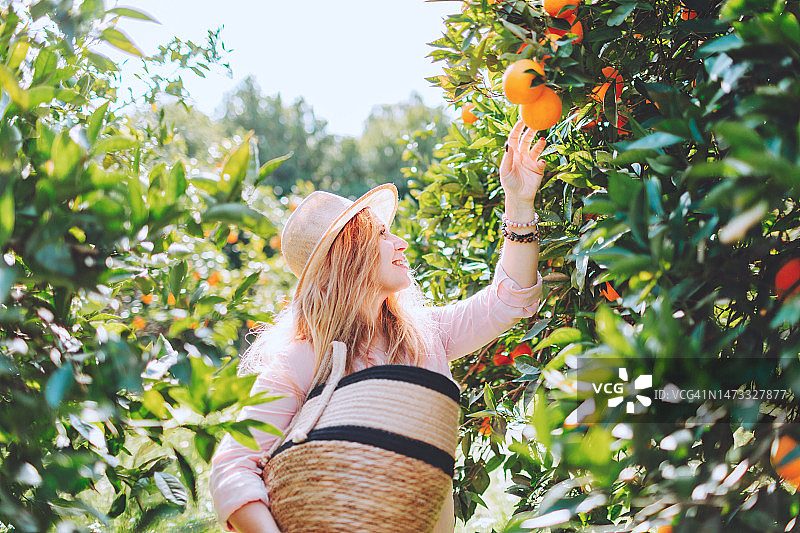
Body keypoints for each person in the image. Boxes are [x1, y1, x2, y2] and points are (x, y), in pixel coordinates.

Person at [209, 118, 547, 533]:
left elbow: (511, 299)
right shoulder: (305, 357)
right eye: (383, 234)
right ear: (349, 256)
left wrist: (518, 201)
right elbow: (232, 466)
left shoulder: (423, 336)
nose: (400, 242)